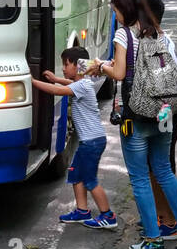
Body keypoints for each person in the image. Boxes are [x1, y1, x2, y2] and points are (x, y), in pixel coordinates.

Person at [96, 0, 177, 249]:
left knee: (140, 177)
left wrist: (99, 65)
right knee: (163, 170)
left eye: (115, 10)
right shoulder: (158, 32)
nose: (114, 15)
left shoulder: (124, 34)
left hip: (137, 113)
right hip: (164, 111)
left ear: (124, 9)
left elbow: (118, 72)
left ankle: (152, 239)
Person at [31, 47, 117, 229]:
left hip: (92, 142)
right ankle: (82, 211)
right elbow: (67, 85)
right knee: (76, 173)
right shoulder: (82, 83)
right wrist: (56, 79)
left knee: (90, 179)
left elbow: (57, 92)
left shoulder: (82, 86)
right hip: (91, 140)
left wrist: (32, 82)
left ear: (78, 67)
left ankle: (108, 215)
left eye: (66, 64)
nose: (63, 68)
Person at [141, 0, 177, 242]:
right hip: (167, 109)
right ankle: (163, 217)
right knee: (157, 165)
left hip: (164, 111)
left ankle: (172, 221)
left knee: (161, 167)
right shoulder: (157, 38)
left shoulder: (156, 43)